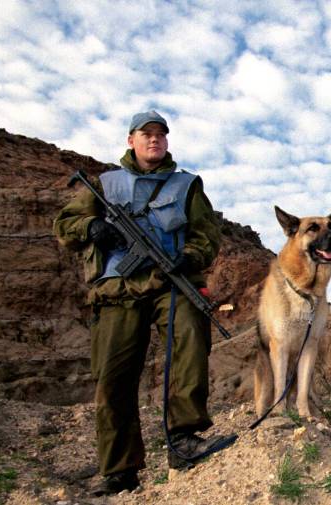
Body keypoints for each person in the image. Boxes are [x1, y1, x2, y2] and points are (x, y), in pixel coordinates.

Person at [53, 111, 227, 495]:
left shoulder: (187, 185)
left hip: (170, 282)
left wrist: (191, 257)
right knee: (113, 376)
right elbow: (65, 225)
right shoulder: (104, 184)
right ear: (131, 140)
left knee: (190, 339)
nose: (154, 140)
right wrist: (91, 227)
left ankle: (183, 439)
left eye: (160, 135)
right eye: (146, 134)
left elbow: (207, 233)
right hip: (116, 290)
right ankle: (120, 469)